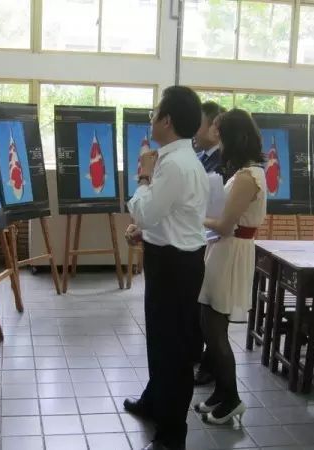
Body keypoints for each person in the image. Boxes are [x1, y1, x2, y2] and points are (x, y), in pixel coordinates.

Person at [124, 86, 209, 450]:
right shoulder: (181, 159)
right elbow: (172, 216)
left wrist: (143, 177)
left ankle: (173, 434)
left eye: (154, 113)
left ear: (167, 120)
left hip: (176, 266)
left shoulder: (172, 164)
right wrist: (144, 233)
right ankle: (154, 402)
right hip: (172, 259)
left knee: (173, 350)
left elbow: (146, 210)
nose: (151, 119)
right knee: (160, 341)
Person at [194, 108, 267, 425]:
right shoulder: (244, 173)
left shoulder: (249, 177)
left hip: (230, 251)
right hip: (223, 250)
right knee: (209, 325)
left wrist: (197, 217)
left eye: (221, 136)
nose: (218, 143)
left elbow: (225, 225)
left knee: (215, 330)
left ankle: (232, 398)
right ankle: (221, 393)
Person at [192, 100, 227, 387]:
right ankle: (198, 354)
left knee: (212, 306)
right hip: (199, 236)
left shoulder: (225, 164)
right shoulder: (200, 157)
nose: (195, 130)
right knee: (199, 302)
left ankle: (211, 363)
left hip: (215, 239)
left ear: (215, 128)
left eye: (199, 124)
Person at [194, 101, 226, 175]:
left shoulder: (223, 164)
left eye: (198, 124)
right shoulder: (195, 157)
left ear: (215, 129)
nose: (193, 130)